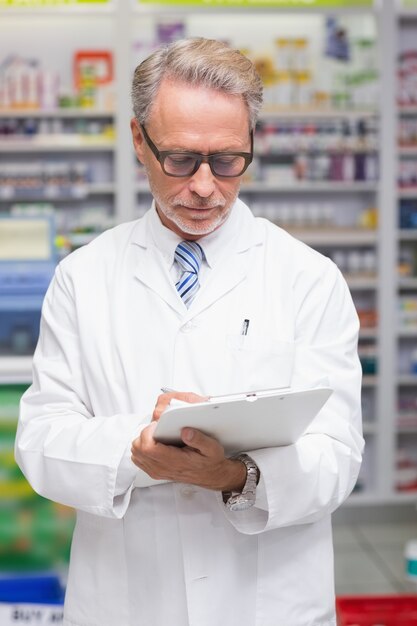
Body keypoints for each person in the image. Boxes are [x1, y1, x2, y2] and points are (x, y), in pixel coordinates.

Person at [15, 37, 364, 626]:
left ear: (253, 144)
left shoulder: (309, 278)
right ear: (138, 142)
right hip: (126, 602)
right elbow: (41, 439)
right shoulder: (84, 276)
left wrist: (236, 475)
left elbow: (337, 455)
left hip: (267, 603)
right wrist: (139, 450)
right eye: (180, 159)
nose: (204, 186)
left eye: (227, 161)